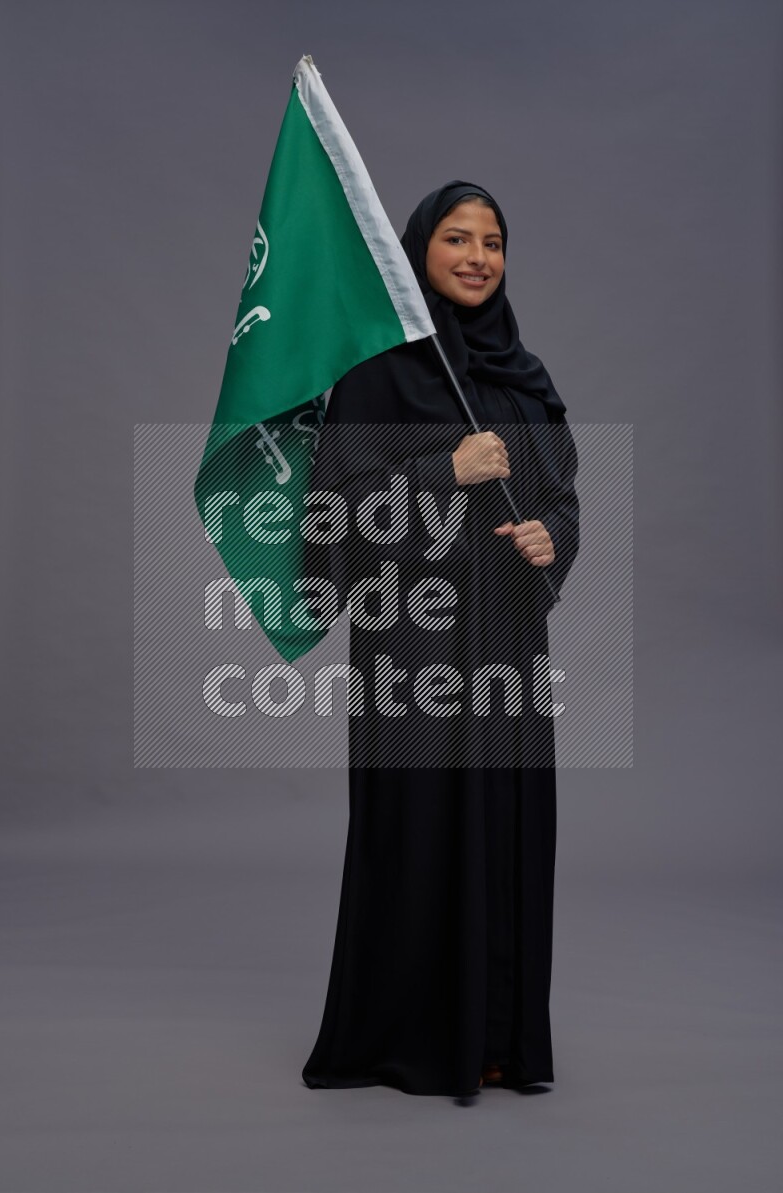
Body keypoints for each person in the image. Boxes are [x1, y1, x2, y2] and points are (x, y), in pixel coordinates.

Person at [301, 181, 580, 1098]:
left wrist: (551, 538)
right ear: (419, 252)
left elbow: (561, 501)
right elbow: (332, 521)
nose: (477, 257)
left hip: (506, 650)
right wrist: (443, 472)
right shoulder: (377, 375)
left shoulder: (524, 379)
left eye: (492, 242)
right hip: (414, 656)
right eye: (457, 239)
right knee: (420, 834)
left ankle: (497, 1037)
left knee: (506, 827)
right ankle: (411, 1040)